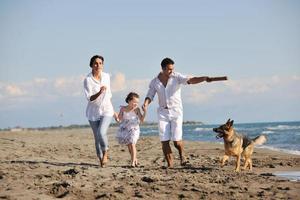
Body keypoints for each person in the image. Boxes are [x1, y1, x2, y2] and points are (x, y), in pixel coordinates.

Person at [142, 57, 227, 168]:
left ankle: (182, 155)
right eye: (169, 69)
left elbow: (191, 80)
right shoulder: (155, 82)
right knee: (164, 140)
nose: (171, 71)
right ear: (162, 69)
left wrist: (205, 78)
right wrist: (146, 104)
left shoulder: (177, 77)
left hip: (176, 111)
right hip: (163, 112)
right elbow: (150, 95)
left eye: (172, 69)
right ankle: (170, 165)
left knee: (176, 141)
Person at [83, 55, 118, 167]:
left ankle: (106, 153)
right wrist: (99, 92)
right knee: (97, 137)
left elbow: (108, 96)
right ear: (91, 65)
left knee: (101, 132)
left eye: (100, 63)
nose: (98, 65)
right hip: (93, 112)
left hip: (106, 109)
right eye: (96, 63)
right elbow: (90, 98)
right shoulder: (87, 80)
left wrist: (114, 112)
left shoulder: (106, 76)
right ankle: (100, 157)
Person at [116, 92, 146, 167]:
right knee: (129, 146)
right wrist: (115, 116)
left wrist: (145, 111)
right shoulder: (123, 109)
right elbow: (119, 119)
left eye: (137, 102)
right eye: (134, 102)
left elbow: (142, 120)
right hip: (125, 129)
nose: (136, 104)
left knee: (132, 144)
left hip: (134, 129)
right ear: (129, 101)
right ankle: (135, 159)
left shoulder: (137, 110)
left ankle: (132, 162)